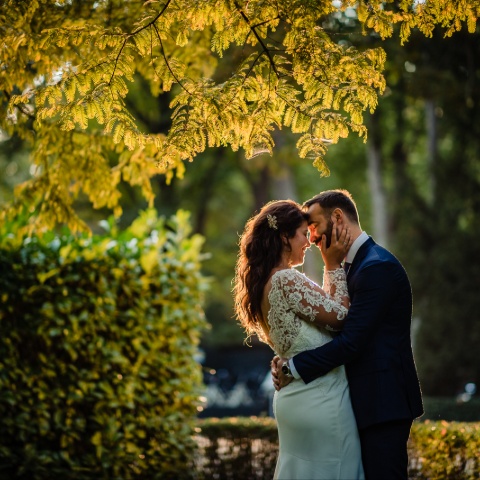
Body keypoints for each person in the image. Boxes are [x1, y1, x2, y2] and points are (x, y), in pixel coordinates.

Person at [272, 189, 424, 480]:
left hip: (382, 404)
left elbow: (351, 342)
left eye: (314, 226)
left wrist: (294, 367)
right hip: (360, 403)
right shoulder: (353, 266)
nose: (312, 237)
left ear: (338, 217)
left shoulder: (376, 267)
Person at [233, 199, 365, 480]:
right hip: (321, 400)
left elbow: (312, 327)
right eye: (304, 234)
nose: (309, 241)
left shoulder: (266, 282)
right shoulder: (285, 280)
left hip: (295, 398)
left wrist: (283, 363)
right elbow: (341, 317)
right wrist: (332, 264)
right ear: (284, 237)